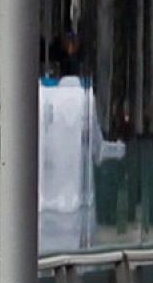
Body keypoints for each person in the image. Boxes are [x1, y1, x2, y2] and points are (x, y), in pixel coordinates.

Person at [38, 35, 125, 254]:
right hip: (78, 207)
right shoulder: (84, 96)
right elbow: (97, 150)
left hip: (43, 208)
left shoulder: (40, 95)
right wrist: (119, 149)